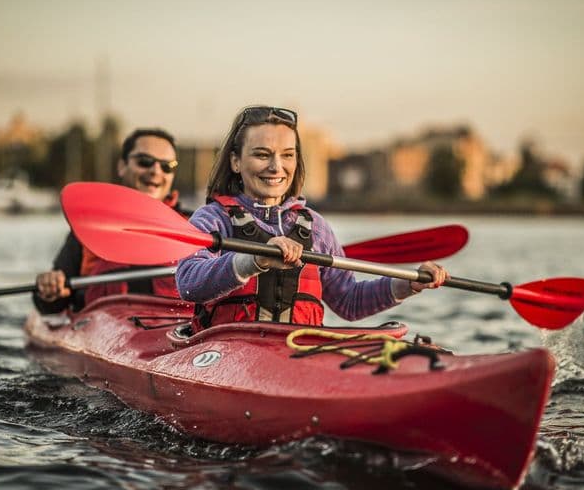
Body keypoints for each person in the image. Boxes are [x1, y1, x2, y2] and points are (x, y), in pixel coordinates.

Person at [175, 106, 448, 331]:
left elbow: (349, 302)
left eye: (287, 155)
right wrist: (254, 260)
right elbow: (188, 285)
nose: (276, 166)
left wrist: (408, 284)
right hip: (226, 355)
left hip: (298, 351)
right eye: (261, 155)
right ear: (236, 162)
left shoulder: (315, 227)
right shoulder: (212, 220)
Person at [34, 128, 190, 314]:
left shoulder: (194, 227)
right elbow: (51, 304)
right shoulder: (91, 228)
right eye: (144, 161)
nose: (156, 171)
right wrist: (50, 288)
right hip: (105, 325)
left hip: (174, 325)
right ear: (122, 166)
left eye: (167, 166)